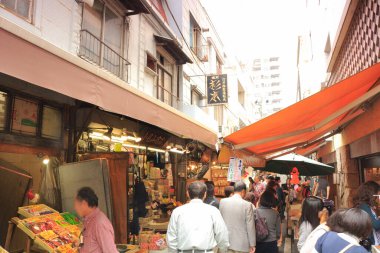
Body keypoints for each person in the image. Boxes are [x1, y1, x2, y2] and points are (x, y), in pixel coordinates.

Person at [167, 181, 229, 253]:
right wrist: (223, 250)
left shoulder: (177, 212)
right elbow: (222, 234)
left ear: (187, 193)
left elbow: (171, 238)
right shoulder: (213, 211)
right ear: (205, 194)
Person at [74, 187, 118, 253]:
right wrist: (78, 243)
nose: (75, 208)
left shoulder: (100, 223)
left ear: (84, 204)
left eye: (76, 205)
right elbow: (87, 241)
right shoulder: (87, 221)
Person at [219, 181, 256, 253]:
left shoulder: (223, 202)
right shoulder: (247, 205)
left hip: (226, 242)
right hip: (241, 244)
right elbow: (250, 226)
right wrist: (252, 244)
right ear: (243, 191)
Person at [355, 181, 380, 245]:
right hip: (371, 243)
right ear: (372, 193)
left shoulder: (365, 206)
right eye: (378, 192)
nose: (378, 195)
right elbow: (376, 225)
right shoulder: (364, 207)